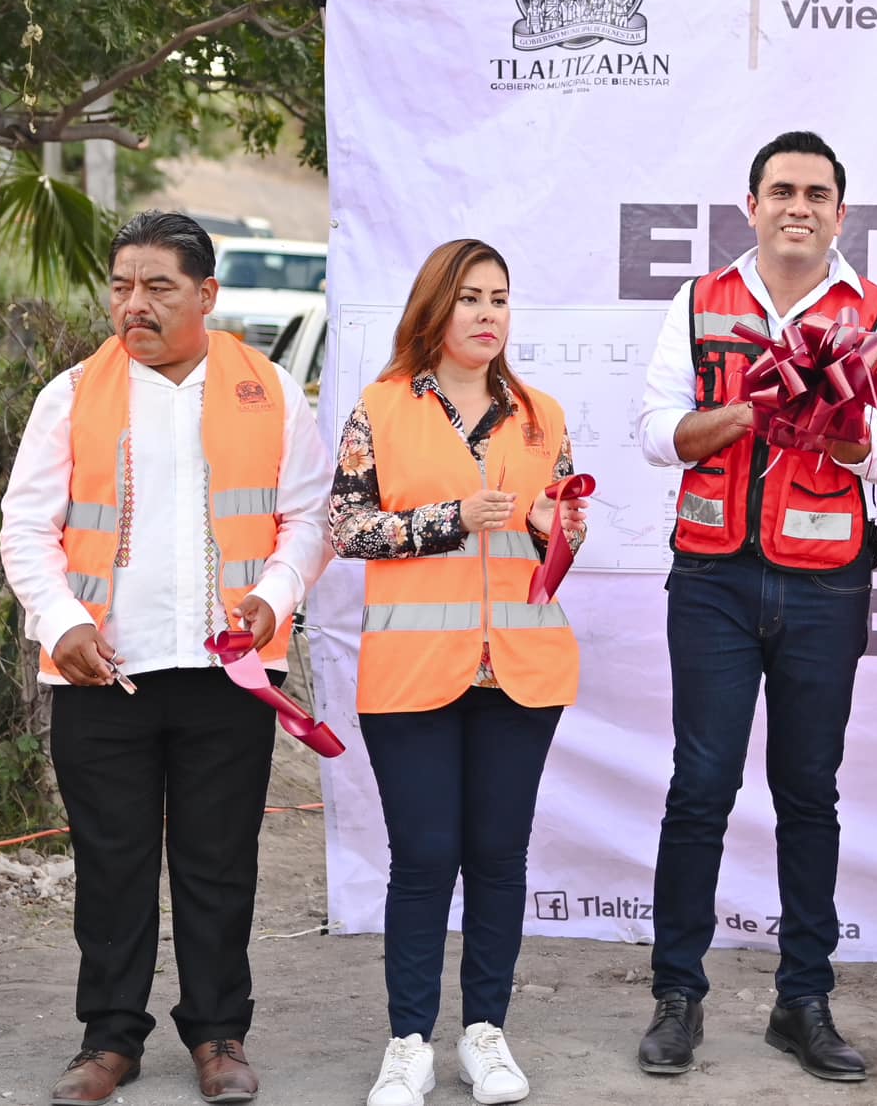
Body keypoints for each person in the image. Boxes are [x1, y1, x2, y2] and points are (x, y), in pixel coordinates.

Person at [1, 212, 332, 1106]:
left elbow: (309, 518)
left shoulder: (269, 388)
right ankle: (109, 1040)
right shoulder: (72, 393)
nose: (133, 305)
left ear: (206, 296)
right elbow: (25, 526)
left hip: (228, 674)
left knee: (219, 862)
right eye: (120, 286)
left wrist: (276, 596)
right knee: (111, 863)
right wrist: (60, 620)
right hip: (103, 671)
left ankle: (219, 1034)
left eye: (157, 287)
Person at [632, 131, 877, 1081]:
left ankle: (805, 1000)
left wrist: (832, 425)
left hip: (828, 579)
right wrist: (746, 411)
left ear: (841, 211)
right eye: (782, 190)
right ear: (751, 205)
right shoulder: (700, 300)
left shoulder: (873, 309)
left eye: (817, 193)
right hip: (712, 575)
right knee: (699, 787)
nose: (800, 206)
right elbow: (653, 432)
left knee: (809, 792)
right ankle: (678, 996)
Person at [331, 240, 588, 1106]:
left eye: (500, 299)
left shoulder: (541, 414)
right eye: (471, 298)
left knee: (498, 855)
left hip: (520, 672)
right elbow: (345, 527)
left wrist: (559, 529)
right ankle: (408, 1042)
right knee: (426, 856)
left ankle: (485, 1034)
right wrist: (449, 519)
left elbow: (552, 551)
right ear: (436, 309)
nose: (487, 314)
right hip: (412, 672)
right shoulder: (380, 408)